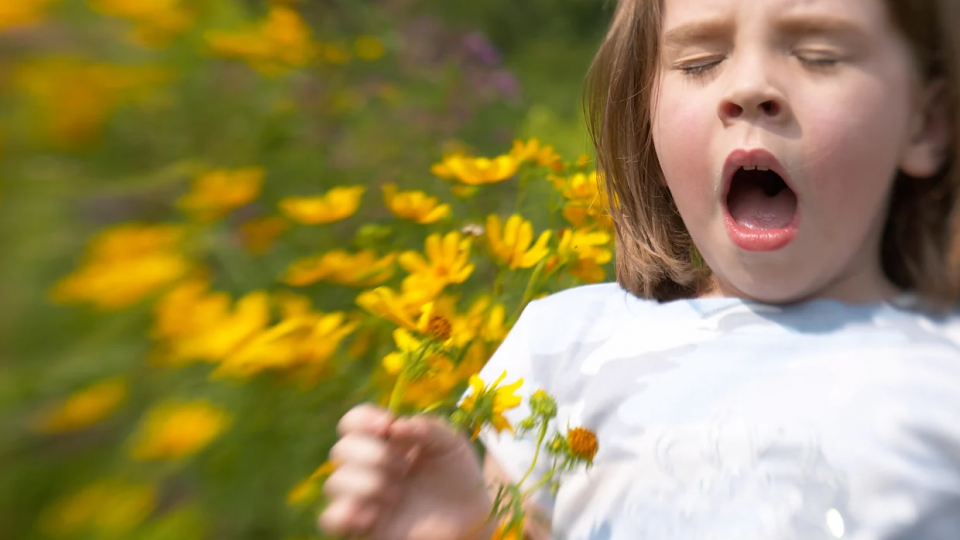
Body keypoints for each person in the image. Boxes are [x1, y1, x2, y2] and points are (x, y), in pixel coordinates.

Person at [318, 0, 960, 537]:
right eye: (699, 62)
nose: (748, 89)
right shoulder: (569, 345)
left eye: (819, 55)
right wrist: (462, 528)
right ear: (645, 112)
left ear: (926, 122)